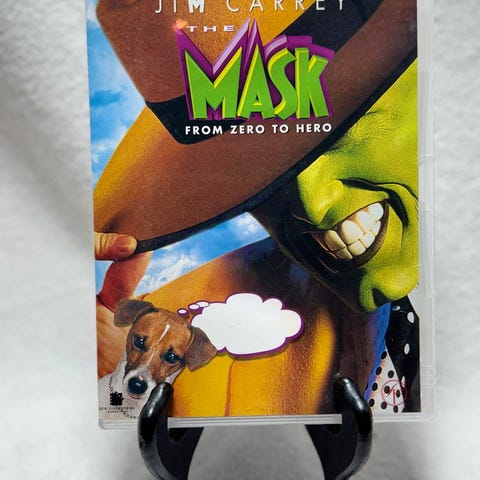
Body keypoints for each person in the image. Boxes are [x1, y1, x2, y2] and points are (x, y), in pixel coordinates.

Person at [94, 60, 420, 417]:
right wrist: (113, 391)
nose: (313, 208)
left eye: (345, 120)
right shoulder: (164, 314)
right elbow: (125, 401)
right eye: (262, 173)